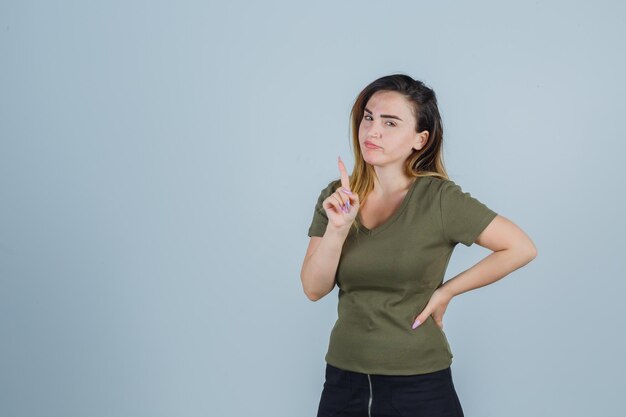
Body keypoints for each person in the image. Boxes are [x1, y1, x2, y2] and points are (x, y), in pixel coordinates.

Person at [300, 74, 537, 417]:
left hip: (419, 386)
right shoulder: (337, 197)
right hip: (343, 382)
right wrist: (338, 230)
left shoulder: (439, 200)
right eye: (368, 117)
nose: (372, 131)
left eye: (390, 122)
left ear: (419, 139)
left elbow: (520, 247)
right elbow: (313, 288)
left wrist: (447, 291)